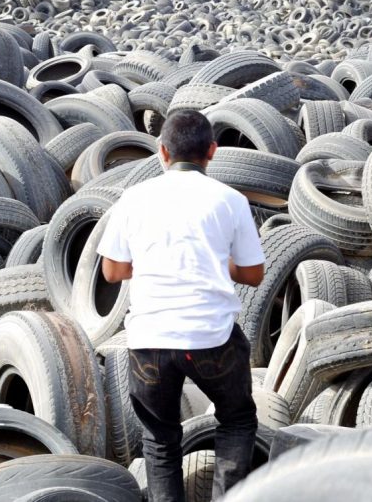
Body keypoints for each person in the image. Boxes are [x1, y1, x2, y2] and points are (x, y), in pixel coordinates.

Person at [96, 110, 265, 502]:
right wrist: (216, 261)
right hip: (212, 338)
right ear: (212, 151)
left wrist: (156, 261)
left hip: (149, 341)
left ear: (162, 152)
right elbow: (254, 274)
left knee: (160, 440)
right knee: (237, 421)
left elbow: (112, 271)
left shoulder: (133, 198)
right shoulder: (231, 200)